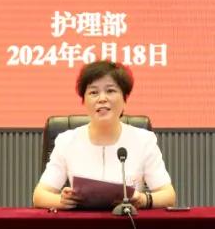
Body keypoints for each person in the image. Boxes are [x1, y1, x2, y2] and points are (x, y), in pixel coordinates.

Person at [33, 60, 177, 211]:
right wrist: (61, 201)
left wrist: (143, 199)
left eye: (110, 91)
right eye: (93, 92)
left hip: (127, 223)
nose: (102, 99)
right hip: (81, 223)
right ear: (84, 101)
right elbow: (39, 195)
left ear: (124, 99)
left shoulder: (143, 140)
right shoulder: (67, 141)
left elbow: (168, 195)